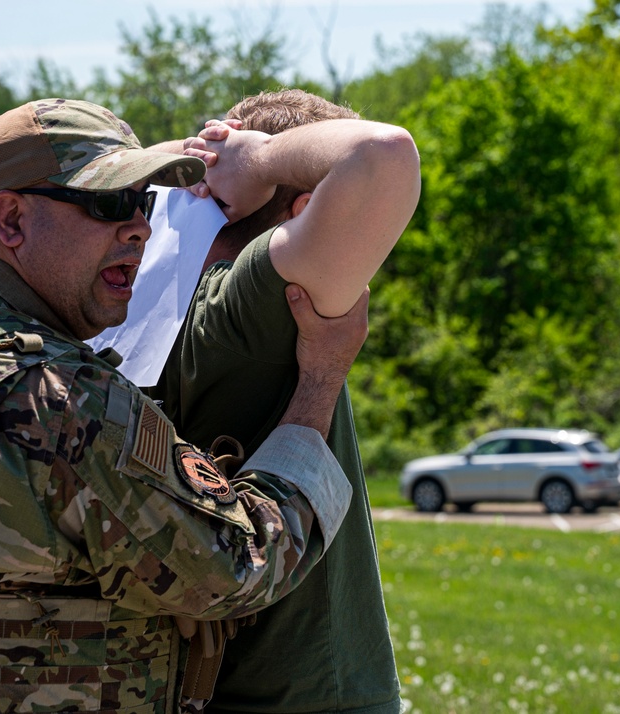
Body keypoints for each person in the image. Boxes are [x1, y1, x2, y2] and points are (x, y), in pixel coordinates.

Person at [0, 98, 373, 714]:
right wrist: (321, 380)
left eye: (145, 202)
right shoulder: (49, 398)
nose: (139, 228)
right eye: (110, 203)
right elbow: (244, 566)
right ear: (11, 219)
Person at [123, 90, 421, 713]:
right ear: (309, 207)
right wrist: (261, 161)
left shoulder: (129, 310)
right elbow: (383, 157)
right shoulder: (251, 304)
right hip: (312, 694)